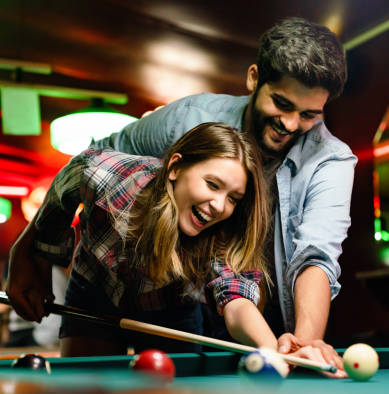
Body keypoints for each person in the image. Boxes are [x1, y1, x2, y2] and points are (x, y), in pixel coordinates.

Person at [89, 17, 356, 372]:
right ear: (253, 78)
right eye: (282, 103)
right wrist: (32, 251)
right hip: (166, 296)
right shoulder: (189, 118)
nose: (291, 124)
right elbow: (97, 157)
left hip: (259, 322)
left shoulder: (332, 160)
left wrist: (304, 343)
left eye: (309, 114)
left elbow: (315, 256)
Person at [6, 123, 281, 357]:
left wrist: (273, 349)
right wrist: (34, 254)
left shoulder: (222, 233)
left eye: (233, 198)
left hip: (172, 312)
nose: (220, 206)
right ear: (175, 167)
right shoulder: (102, 175)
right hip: (95, 291)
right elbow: (63, 191)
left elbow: (236, 303)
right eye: (212, 184)